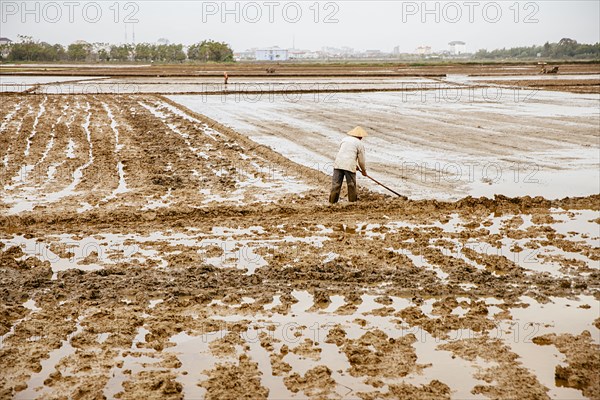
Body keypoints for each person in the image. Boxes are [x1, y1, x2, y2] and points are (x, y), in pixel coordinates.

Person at [329, 126, 368, 204]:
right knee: (351, 185)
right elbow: (361, 161)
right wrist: (363, 170)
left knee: (336, 184)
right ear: (360, 137)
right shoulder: (359, 144)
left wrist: (354, 164)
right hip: (349, 166)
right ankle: (352, 203)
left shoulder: (344, 140)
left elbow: (345, 153)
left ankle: (332, 202)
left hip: (338, 163)